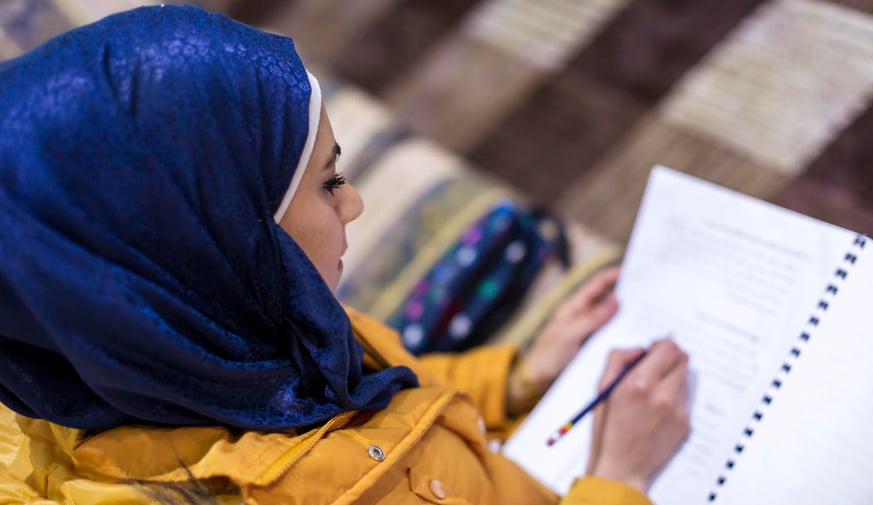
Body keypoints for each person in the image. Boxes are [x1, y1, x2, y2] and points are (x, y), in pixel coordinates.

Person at [0, 6, 689, 504]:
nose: (354, 202)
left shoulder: (215, 342)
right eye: (329, 182)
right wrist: (621, 476)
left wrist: (512, 379)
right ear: (216, 250)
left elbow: (389, 404)